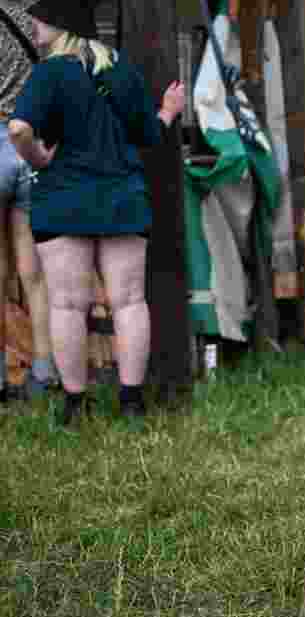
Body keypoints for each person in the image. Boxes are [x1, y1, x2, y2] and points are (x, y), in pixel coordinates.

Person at [7, 0, 186, 424]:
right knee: (129, 301)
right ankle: (132, 402)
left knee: (67, 305)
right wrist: (169, 111)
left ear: (63, 23)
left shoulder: (49, 73)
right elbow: (148, 133)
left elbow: (17, 129)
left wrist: (37, 158)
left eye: (42, 15)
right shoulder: (120, 68)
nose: (34, 23)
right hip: (120, 197)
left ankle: (74, 404)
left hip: (64, 199)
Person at [0, 0, 56, 404]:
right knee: (33, 271)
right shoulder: (42, 17)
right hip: (33, 142)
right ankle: (42, 372)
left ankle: (1, 378)